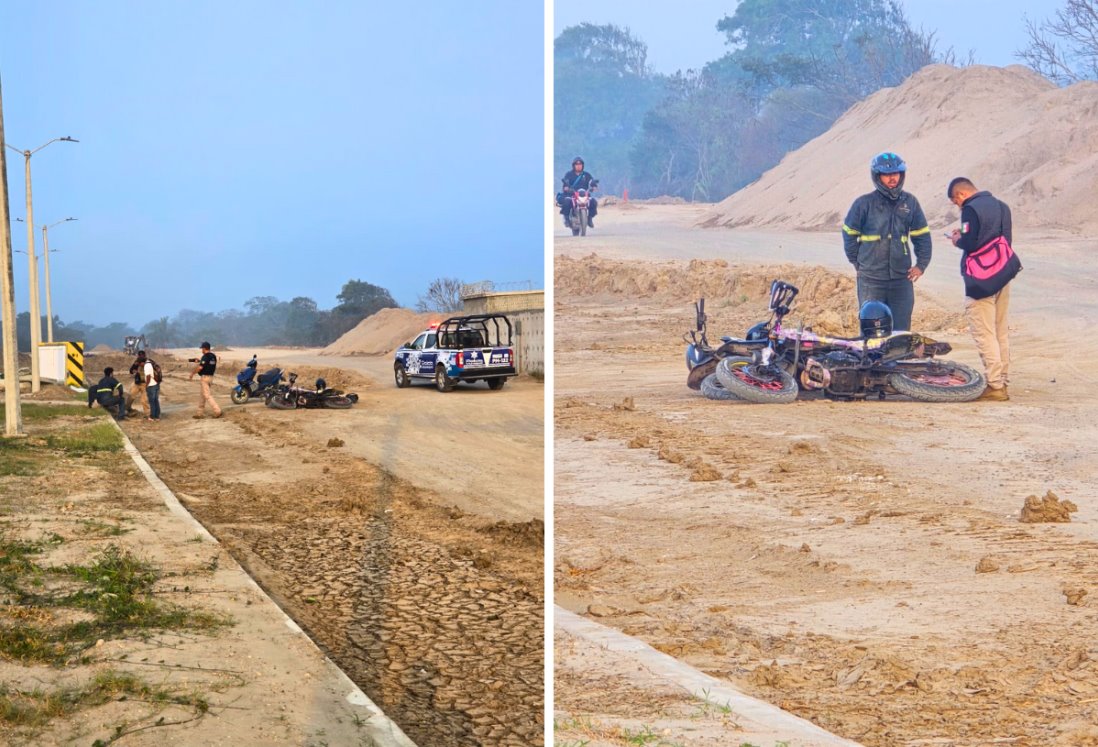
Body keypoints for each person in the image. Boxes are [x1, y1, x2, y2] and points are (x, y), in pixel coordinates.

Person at [841, 152, 932, 332]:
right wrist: (858, 264)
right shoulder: (863, 204)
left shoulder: (910, 203)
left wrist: (921, 265)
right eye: (887, 174)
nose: (893, 178)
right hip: (871, 281)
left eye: (896, 173)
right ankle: (871, 361)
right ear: (877, 176)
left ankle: (897, 360)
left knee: (900, 333)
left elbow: (922, 236)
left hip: (901, 280)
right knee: (871, 331)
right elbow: (849, 235)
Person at [947, 177, 1016, 402]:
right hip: (1002, 276)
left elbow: (972, 243)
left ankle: (995, 386)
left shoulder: (970, 209)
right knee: (1000, 332)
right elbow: (1005, 240)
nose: (958, 206)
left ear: (960, 195)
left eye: (956, 202)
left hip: (980, 280)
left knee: (984, 333)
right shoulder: (1002, 206)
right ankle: (1002, 380)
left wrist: (958, 239)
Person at [558, 156, 598, 229]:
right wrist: (566, 187)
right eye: (576, 164)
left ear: (582, 165)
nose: (578, 166)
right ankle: (567, 219)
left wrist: (594, 186)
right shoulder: (569, 174)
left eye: (580, 164)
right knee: (567, 201)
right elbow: (565, 182)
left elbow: (591, 181)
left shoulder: (586, 175)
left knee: (593, 201)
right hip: (572, 194)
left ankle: (589, 219)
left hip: (584, 194)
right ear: (574, 165)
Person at [188, 341, 222, 418]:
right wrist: (200, 361)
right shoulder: (213, 356)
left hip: (205, 378)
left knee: (207, 395)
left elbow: (200, 367)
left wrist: (192, 373)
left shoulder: (205, 357)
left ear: (204, 348)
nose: (201, 350)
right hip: (211, 377)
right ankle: (199, 413)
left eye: (202, 348)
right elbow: (208, 363)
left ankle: (217, 411)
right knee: (202, 395)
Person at [125, 350, 150, 415]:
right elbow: (131, 370)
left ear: (144, 356)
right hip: (137, 383)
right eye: (140, 356)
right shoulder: (137, 362)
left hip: (145, 383)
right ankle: (127, 409)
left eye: (142, 356)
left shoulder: (148, 363)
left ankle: (147, 413)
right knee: (131, 396)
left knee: (144, 400)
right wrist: (135, 369)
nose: (141, 357)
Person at [144, 355, 161, 421]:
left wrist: (146, 385)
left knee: (152, 401)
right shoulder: (151, 363)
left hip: (151, 385)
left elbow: (148, 376)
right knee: (156, 400)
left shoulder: (147, 365)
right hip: (156, 384)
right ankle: (157, 416)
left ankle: (152, 416)